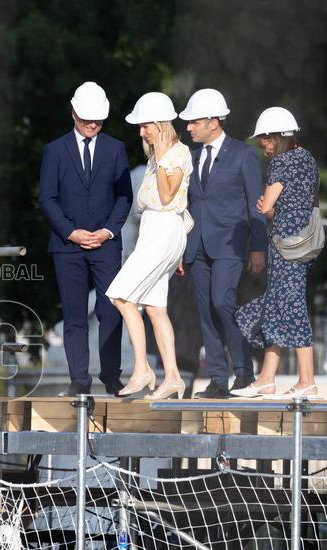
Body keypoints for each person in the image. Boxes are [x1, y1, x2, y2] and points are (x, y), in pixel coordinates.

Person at [38, 82, 133, 396]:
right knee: (75, 313)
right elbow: (47, 198)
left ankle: (111, 376)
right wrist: (70, 231)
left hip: (106, 244)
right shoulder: (54, 150)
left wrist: (108, 231)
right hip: (67, 246)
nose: (93, 124)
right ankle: (79, 379)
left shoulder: (115, 148)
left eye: (99, 119)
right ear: (74, 112)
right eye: (87, 118)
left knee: (110, 310)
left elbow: (124, 197)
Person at [180, 89, 268, 399]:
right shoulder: (189, 157)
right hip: (196, 247)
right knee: (205, 311)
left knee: (222, 302)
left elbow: (255, 204)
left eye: (193, 122)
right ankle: (218, 379)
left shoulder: (243, 154)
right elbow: (186, 205)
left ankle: (244, 373)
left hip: (231, 245)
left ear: (213, 122)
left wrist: (259, 248)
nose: (188, 127)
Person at [106, 92, 192, 400]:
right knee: (155, 308)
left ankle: (142, 368)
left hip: (164, 229)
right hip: (156, 229)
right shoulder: (159, 157)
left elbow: (169, 198)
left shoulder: (176, 154)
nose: (142, 133)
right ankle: (172, 376)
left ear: (159, 124)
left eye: (145, 126)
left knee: (120, 295)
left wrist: (161, 155)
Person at [232, 107, 319, 398]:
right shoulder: (307, 158)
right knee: (276, 308)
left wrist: (266, 207)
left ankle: (307, 380)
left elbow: (267, 206)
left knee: (291, 307)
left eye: (266, 140)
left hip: (285, 247)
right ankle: (266, 379)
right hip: (303, 243)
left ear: (279, 137)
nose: (263, 146)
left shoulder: (281, 163)